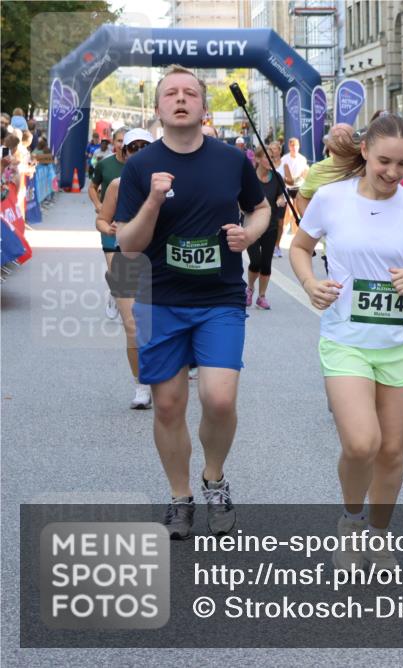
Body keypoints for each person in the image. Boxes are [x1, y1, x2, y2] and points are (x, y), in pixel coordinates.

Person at [289, 113, 403, 572]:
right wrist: (310, 283)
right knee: (362, 443)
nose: (393, 173)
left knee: (391, 450)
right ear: (364, 151)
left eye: (402, 164)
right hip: (346, 339)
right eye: (384, 161)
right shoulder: (330, 198)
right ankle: (351, 521)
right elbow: (299, 247)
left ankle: (380, 535)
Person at [114, 64, 270, 540]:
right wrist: (154, 202)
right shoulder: (140, 167)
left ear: (204, 108)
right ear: (159, 108)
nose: (180, 99)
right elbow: (128, 246)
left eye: (190, 93)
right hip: (161, 300)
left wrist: (250, 234)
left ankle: (214, 478)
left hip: (219, 297)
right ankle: (180, 496)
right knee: (167, 406)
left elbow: (260, 207)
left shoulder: (231, 160)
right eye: (170, 94)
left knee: (219, 399)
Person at [95, 128, 154, 409]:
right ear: (124, 152)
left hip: (161, 261)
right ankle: (141, 385)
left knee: (161, 325)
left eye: (146, 147)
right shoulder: (118, 185)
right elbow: (102, 220)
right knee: (132, 326)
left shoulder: (168, 182)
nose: (140, 152)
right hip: (126, 258)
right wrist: (108, 227)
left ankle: (164, 375)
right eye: (134, 148)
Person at [90, 127, 128, 320]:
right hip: (109, 223)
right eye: (119, 141)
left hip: (130, 224)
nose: (122, 144)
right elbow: (92, 187)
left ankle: (123, 300)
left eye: (125, 141)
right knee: (115, 268)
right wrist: (98, 204)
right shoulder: (105, 165)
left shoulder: (139, 166)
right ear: (113, 143)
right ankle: (116, 295)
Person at [246, 147, 284, 309]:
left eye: (273, 158)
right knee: (255, 261)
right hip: (252, 225)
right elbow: (240, 199)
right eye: (267, 158)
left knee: (266, 263)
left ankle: (261, 296)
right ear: (258, 159)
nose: (271, 161)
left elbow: (282, 196)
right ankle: (249, 288)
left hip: (271, 225)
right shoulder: (249, 178)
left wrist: (281, 201)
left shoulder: (277, 177)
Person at [280, 137, 309, 239]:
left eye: (296, 145)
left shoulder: (302, 159)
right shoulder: (284, 159)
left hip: (299, 187)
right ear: (289, 147)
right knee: (289, 210)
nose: (294, 148)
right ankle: (283, 231)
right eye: (292, 145)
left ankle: (295, 235)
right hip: (288, 187)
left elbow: (304, 174)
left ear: (299, 147)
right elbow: (282, 173)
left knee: (297, 212)